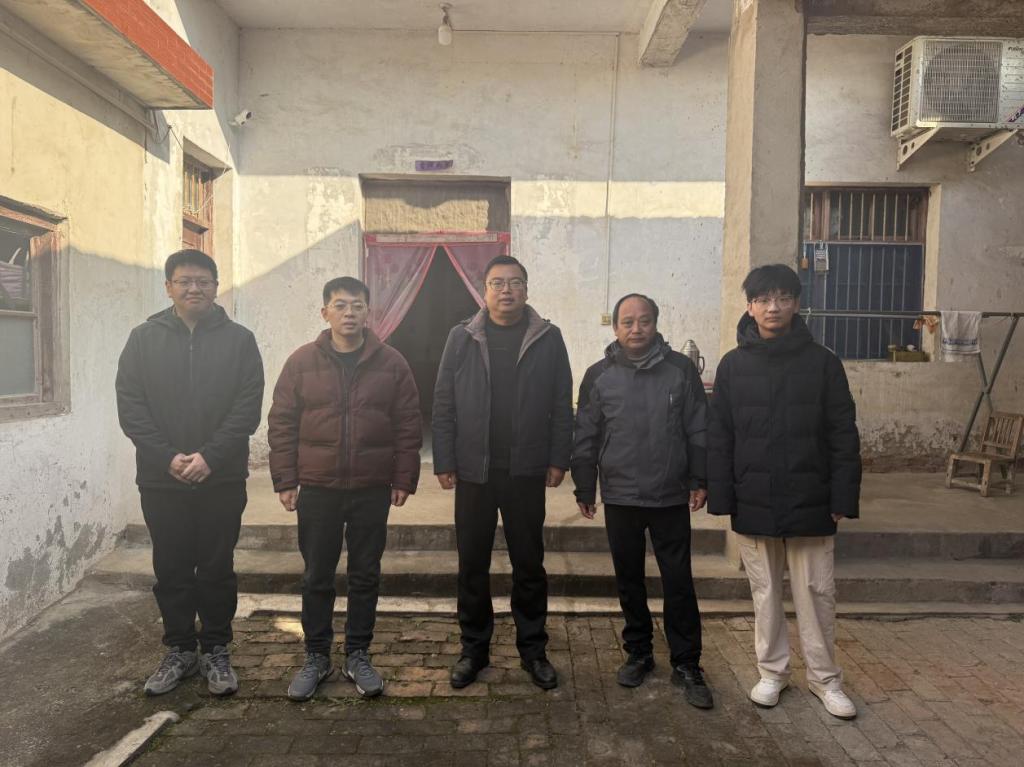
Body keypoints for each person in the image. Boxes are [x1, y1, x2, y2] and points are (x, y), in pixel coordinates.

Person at [708, 263, 861, 720]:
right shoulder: (733, 366)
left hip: (811, 497)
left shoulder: (823, 363)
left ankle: (825, 679)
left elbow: (843, 434)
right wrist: (724, 498)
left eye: (783, 297)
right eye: (763, 299)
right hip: (754, 497)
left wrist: (842, 497)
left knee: (817, 593)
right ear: (749, 306)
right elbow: (720, 436)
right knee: (766, 592)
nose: (773, 307)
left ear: (796, 304)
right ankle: (772, 672)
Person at [116, 248, 264, 697]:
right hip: (162, 479)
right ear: (169, 287)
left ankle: (216, 648)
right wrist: (168, 457)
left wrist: (210, 457)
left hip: (221, 477)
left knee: (217, 565)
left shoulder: (240, 340)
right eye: (184, 281)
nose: (194, 288)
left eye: (203, 281)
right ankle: (179, 649)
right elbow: (131, 407)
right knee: (172, 565)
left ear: (216, 287)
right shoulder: (143, 339)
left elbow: (247, 408)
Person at [268, 277, 421, 701]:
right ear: (325, 313)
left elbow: (408, 424)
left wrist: (403, 477)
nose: (349, 313)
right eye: (340, 305)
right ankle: (316, 656)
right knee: (317, 575)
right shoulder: (301, 362)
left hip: (372, 487)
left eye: (357, 305)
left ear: (368, 312)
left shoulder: (392, 363)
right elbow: (281, 423)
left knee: (365, 574)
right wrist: (286, 479)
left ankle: (358, 654)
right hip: (319, 487)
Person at [432, 255, 573, 690]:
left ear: (526, 290)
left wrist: (558, 458)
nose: (506, 290)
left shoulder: (548, 338)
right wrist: (445, 459)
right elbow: (443, 401)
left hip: (524, 471)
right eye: (497, 283)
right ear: (484, 291)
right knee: (472, 564)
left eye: (514, 282)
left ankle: (533, 651)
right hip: (474, 472)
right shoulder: (462, 337)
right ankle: (473, 650)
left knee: (528, 564)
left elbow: (562, 403)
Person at [571, 293, 714, 709]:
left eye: (644, 321)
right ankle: (639, 652)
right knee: (629, 579)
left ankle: (687, 663)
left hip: (670, 495)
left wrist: (699, 478)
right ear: (615, 327)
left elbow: (698, 429)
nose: (637, 329)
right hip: (621, 496)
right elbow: (586, 434)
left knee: (678, 581)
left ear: (656, 324)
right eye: (628, 322)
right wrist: (585, 486)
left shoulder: (680, 370)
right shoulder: (598, 375)